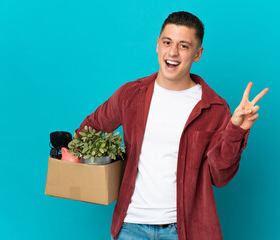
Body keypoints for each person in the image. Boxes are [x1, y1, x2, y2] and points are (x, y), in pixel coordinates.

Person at [75, 11, 268, 240]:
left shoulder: (214, 107)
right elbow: (88, 131)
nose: (173, 52)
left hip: (184, 230)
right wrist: (96, 158)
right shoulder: (131, 95)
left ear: (198, 54)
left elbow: (220, 176)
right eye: (167, 42)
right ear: (158, 44)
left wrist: (237, 129)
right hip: (131, 226)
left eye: (184, 46)